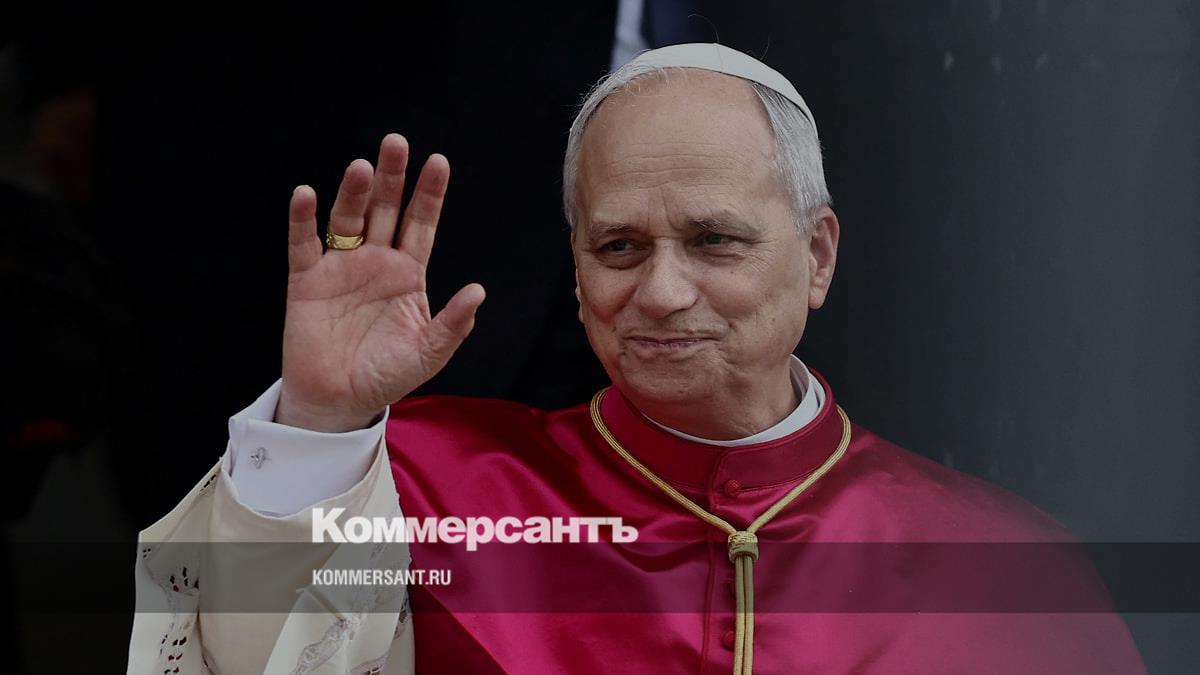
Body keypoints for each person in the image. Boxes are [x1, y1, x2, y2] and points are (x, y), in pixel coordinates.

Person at [127, 44, 1145, 675]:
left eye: (714, 240)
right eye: (619, 246)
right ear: (576, 273)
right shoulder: (421, 487)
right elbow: (241, 659)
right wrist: (319, 420)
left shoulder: (1006, 565)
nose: (659, 290)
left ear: (818, 255)